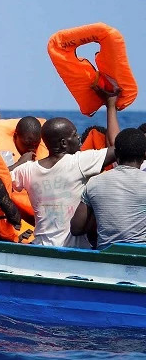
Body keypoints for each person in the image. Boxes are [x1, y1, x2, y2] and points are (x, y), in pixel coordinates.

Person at [11, 88, 120, 248]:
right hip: (74, 251)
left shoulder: (27, 170)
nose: (78, 138)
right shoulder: (79, 162)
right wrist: (111, 106)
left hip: (41, 247)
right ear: (63, 143)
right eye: (75, 135)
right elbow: (121, 147)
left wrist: (20, 162)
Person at [70, 128, 146, 247]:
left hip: (107, 256)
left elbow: (76, 228)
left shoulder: (95, 182)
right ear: (144, 155)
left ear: (115, 154)